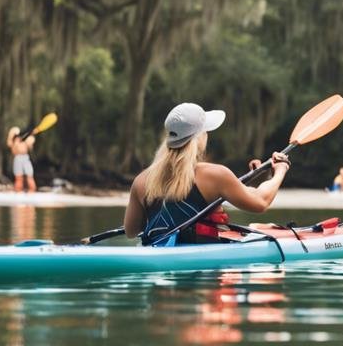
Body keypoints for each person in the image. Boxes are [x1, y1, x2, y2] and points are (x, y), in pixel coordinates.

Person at [124, 103, 290, 245]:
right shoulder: (215, 175)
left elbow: (131, 231)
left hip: (158, 264)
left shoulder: (141, 180)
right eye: (206, 131)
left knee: (256, 227)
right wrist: (280, 171)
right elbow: (261, 202)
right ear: (199, 137)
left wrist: (258, 176)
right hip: (204, 274)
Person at [6, 126, 36, 193]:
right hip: (17, 158)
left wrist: (30, 136)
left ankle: (32, 192)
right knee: (19, 178)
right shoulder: (13, 141)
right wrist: (17, 140)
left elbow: (30, 145)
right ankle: (18, 192)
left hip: (25, 158)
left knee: (29, 175)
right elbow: (10, 145)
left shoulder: (25, 140)